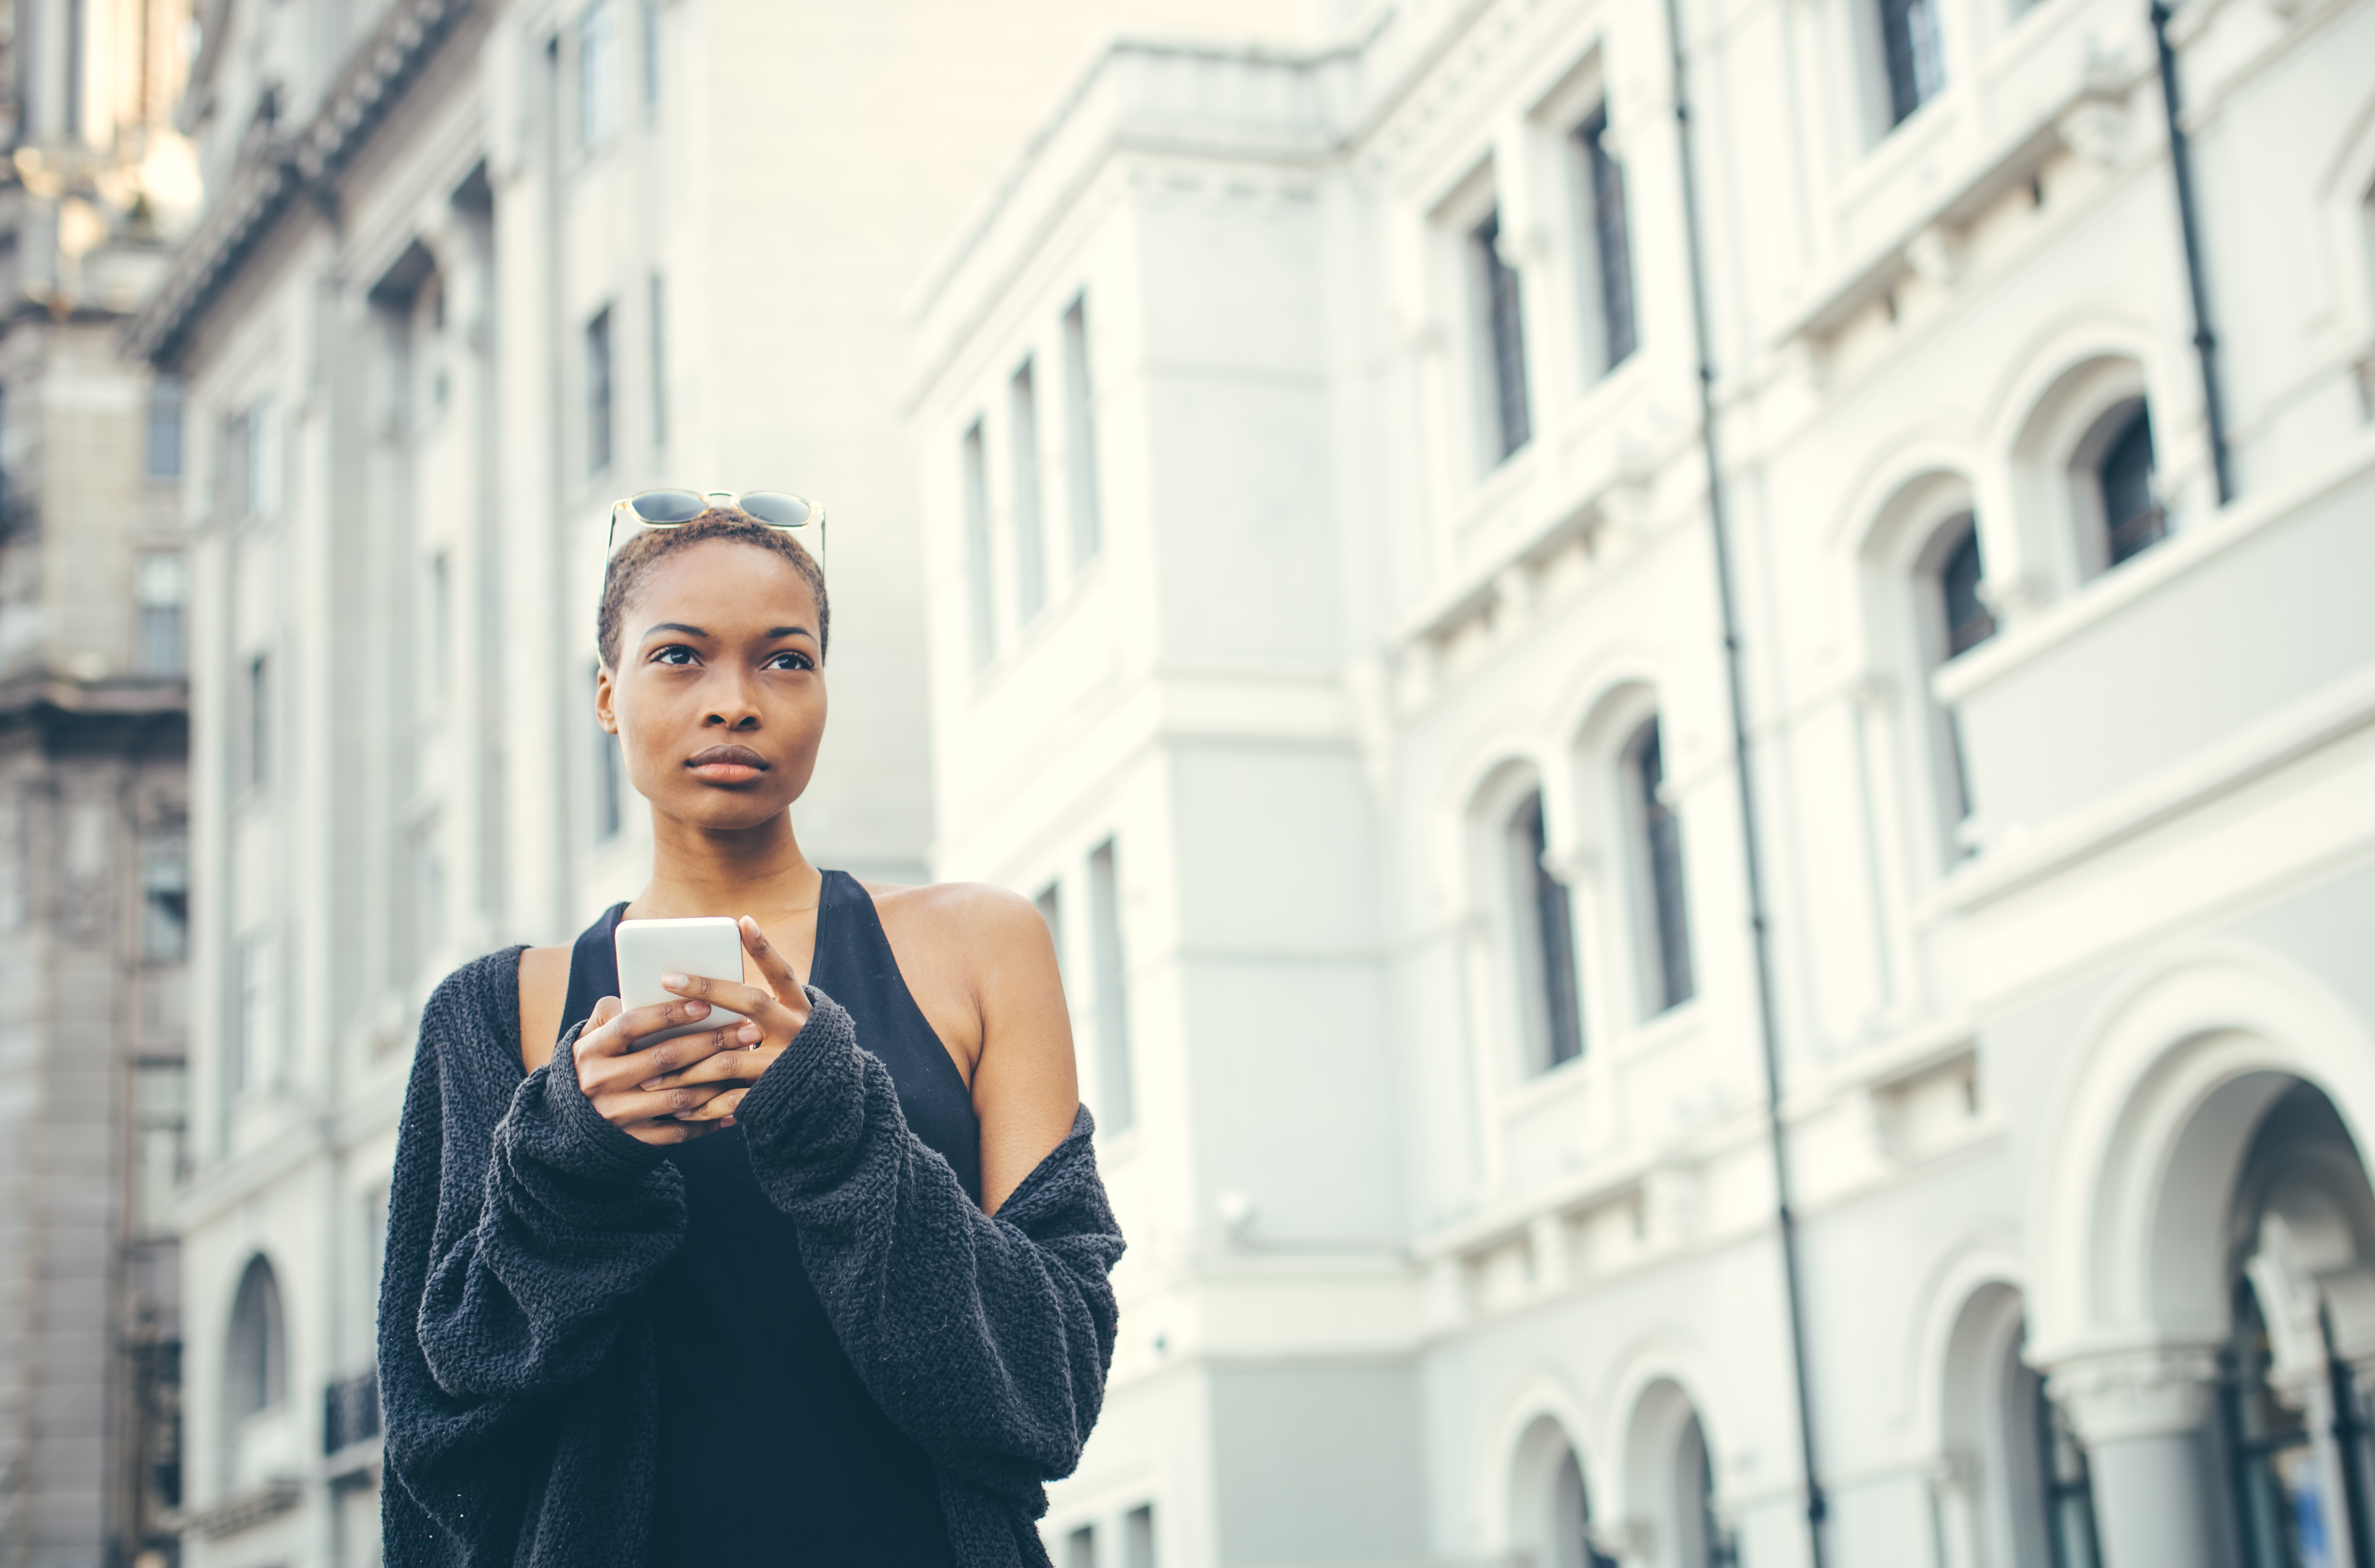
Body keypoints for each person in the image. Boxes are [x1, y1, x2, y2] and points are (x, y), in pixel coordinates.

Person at [376, 504, 1124, 1568]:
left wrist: (828, 1111)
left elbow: (1047, 1390)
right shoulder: (496, 1012)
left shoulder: (979, 945)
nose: (734, 702)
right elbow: (440, 1426)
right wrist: (571, 1162)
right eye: (678, 657)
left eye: (785, 660)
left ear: (823, 694)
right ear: (606, 693)